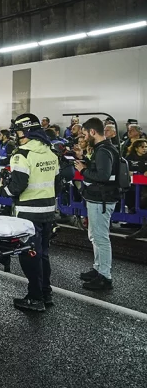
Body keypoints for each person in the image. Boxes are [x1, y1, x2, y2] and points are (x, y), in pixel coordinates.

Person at [0, 113, 59, 311]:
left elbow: (17, 186)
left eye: (17, 132)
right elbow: (57, 183)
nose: (16, 136)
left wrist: (3, 190)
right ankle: (46, 293)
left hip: (28, 214)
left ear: (25, 132)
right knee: (43, 254)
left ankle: (35, 298)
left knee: (29, 256)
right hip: (48, 212)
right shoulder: (51, 152)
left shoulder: (21, 154)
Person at [75, 117, 120, 291]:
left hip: (102, 199)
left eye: (86, 134)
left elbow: (102, 176)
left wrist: (83, 170)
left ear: (93, 132)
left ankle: (105, 277)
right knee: (95, 236)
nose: (85, 137)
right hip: (100, 198)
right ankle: (98, 269)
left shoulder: (103, 150)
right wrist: (84, 160)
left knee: (100, 238)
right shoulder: (104, 148)